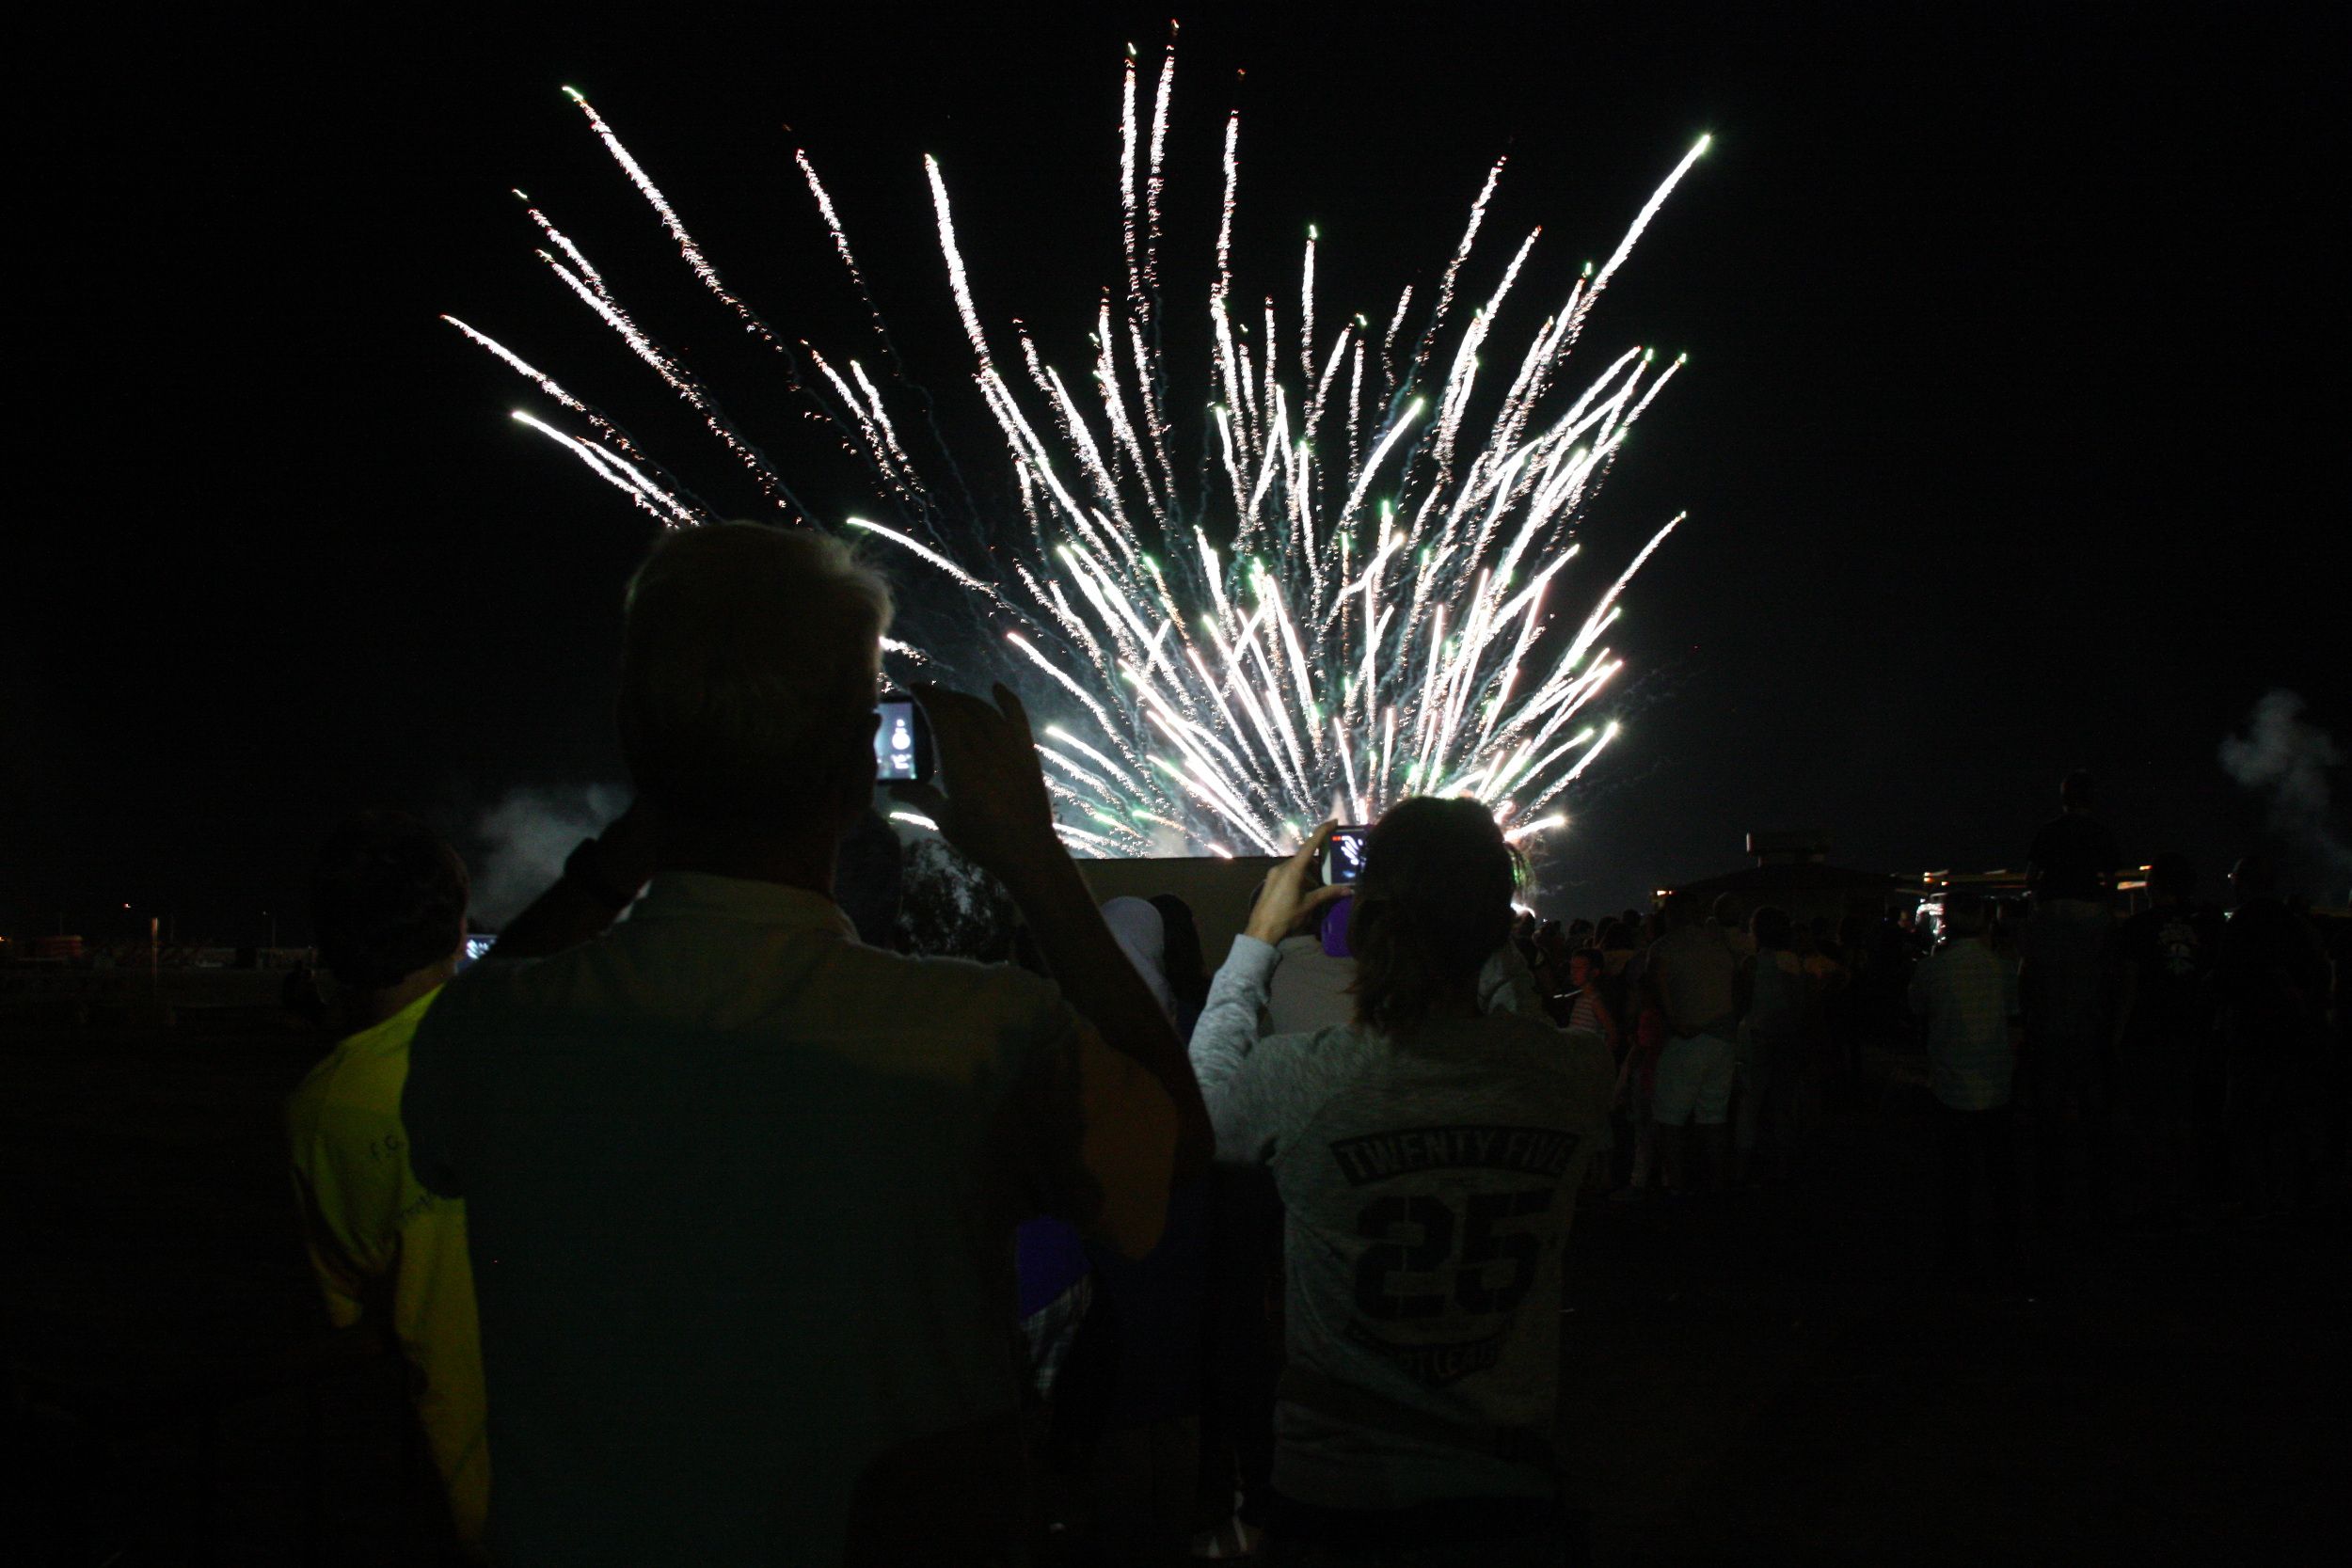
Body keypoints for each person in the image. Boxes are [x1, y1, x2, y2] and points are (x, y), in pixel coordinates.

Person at [401, 522, 1203, 1566]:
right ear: (856, 764)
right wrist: (1031, 855)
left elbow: (483, 1023)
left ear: (633, 736)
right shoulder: (982, 1034)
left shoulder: (492, 1030)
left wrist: (648, 823)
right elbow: (1174, 1158)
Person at [1184, 806, 1611, 1567]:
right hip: (1508, 1491)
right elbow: (1519, 1023)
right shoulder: (1576, 1075)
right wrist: (1486, 932)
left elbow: (1203, 1102)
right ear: (1497, 922)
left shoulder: (1307, 1078)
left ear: (1372, 919)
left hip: (1340, 1498)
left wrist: (1256, 940)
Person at [284, 811, 488, 1556]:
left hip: (461, 1492)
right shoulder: (527, 1039)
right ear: (460, 925)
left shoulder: (322, 1110)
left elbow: (351, 1312)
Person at [2021, 770, 2122, 1222]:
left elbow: (2031, 877)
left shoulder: (2048, 833)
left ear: (2062, 799)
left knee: (2048, 980)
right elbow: (2112, 878)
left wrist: (2040, 904)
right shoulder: (2100, 833)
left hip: (2055, 915)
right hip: (2087, 915)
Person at [2211, 855, 2335, 1216]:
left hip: (2254, 1033)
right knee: (2290, 1119)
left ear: (2243, 883)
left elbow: (2226, 979)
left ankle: (2257, 1198)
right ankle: (2298, 1196)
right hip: (2295, 1035)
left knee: (2244, 1118)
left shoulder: (2243, 922)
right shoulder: (2295, 923)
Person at [1908, 894, 2022, 1277]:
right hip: (1996, 1078)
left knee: (1954, 1171)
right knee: (1998, 1168)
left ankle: (1956, 1247)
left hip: (1950, 1079)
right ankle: (2006, 1241)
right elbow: (2013, 1020)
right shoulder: (2002, 967)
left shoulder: (1932, 969)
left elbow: (1917, 1008)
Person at [2107, 853, 2224, 1227]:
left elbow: (2129, 983)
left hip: (2148, 1032)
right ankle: (2185, 1194)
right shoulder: (2207, 925)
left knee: (2150, 1117)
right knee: (2184, 1115)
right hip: (2192, 1032)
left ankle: (2158, 1198)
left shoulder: (2139, 927)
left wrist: (2117, 1033)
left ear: (2155, 886)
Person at [1646, 895, 1740, 1195]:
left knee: (1669, 1117)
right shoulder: (1718, 944)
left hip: (1689, 1038)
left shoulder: (1665, 946)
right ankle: (1717, 1183)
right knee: (1713, 1116)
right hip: (1724, 1038)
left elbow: (1656, 986)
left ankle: (1677, 1185)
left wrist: (1675, 1022)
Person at [1734, 907, 1805, 1186]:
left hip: (1756, 1036)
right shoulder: (1792, 961)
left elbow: (1741, 1004)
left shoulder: (1751, 963)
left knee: (1749, 1103)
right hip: (1786, 1037)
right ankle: (1783, 1165)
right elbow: (1799, 1002)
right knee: (1781, 1104)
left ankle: (1741, 1167)